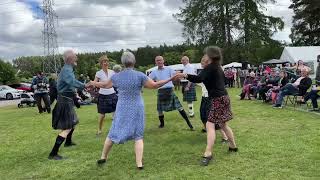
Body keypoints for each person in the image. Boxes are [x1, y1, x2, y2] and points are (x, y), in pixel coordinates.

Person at [91, 51, 175, 169]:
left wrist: (92, 83)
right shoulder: (139, 75)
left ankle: (103, 157)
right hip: (137, 107)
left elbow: (105, 85)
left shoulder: (116, 76)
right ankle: (139, 164)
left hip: (122, 107)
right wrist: (171, 78)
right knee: (138, 135)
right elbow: (155, 85)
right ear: (134, 61)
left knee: (113, 132)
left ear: (123, 62)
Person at [176, 46, 238, 166]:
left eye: (206, 55)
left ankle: (208, 153)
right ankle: (233, 146)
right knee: (223, 124)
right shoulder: (218, 67)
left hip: (217, 99)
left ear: (211, 56)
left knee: (210, 125)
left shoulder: (211, 67)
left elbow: (199, 78)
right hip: (224, 97)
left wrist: (185, 75)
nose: (205, 57)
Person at [48, 50, 89, 160]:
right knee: (67, 127)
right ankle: (53, 153)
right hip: (64, 100)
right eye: (75, 56)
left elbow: (71, 82)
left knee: (72, 122)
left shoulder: (68, 69)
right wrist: (84, 85)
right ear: (70, 59)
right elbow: (72, 82)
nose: (77, 58)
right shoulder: (66, 70)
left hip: (67, 99)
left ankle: (68, 142)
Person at [149, 56, 193, 130]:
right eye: (157, 60)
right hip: (161, 91)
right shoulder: (154, 72)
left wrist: (180, 76)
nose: (159, 61)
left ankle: (189, 124)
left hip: (169, 90)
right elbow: (148, 80)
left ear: (163, 61)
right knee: (159, 110)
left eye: (160, 60)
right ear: (155, 62)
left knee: (180, 107)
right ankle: (162, 124)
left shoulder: (169, 69)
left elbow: (176, 76)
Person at [198, 55, 229, 143]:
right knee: (203, 115)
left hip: (212, 97)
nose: (202, 65)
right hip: (205, 97)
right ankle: (209, 133)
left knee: (214, 118)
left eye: (203, 63)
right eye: (201, 63)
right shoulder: (205, 71)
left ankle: (225, 137)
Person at [94, 55, 118, 135]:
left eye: (107, 61)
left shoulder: (112, 72)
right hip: (103, 95)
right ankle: (99, 129)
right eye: (104, 61)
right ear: (101, 63)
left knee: (116, 113)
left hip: (112, 94)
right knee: (102, 115)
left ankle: (115, 129)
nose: (106, 63)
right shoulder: (98, 73)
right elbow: (95, 83)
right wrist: (103, 84)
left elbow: (116, 81)